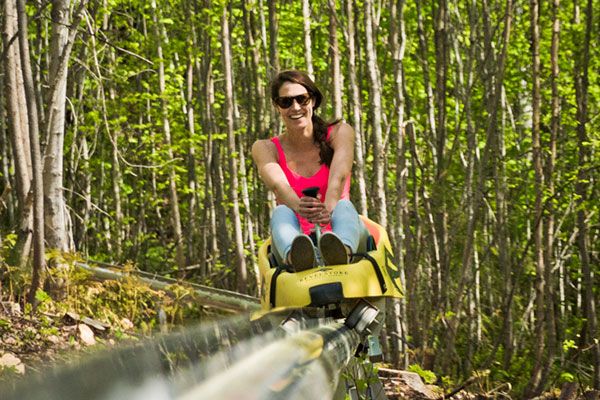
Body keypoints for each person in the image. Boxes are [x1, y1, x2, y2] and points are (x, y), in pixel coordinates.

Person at [252, 70, 370, 271]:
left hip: (340, 224)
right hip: (298, 232)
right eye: (286, 102)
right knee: (281, 211)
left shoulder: (340, 133)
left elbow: (339, 174)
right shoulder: (265, 148)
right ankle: (298, 257)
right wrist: (302, 209)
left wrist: (328, 207)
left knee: (344, 207)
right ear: (277, 106)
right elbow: (278, 186)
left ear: (313, 101)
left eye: (302, 99)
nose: (295, 107)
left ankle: (341, 254)